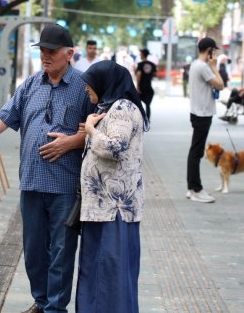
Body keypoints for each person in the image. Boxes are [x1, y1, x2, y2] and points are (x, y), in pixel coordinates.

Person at [0, 24, 94, 313]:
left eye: (51, 51)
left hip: (64, 187)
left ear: (69, 54)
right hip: (31, 183)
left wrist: (71, 142)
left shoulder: (84, 87)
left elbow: (98, 130)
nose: (45, 56)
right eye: (42, 50)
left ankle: (55, 308)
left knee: (61, 252)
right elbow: (3, 117)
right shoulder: (30, 85)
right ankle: (41, 302)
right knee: (33, 252)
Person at [76, 61, 149, 313]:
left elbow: (115, 147)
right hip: (105, 209)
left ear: (105, 82)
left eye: (90, 84)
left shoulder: (123, 108)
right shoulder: (113, 107)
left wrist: (89, 130)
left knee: (109, 274)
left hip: (112, 210)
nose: (86, 90)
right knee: (103, 272)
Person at [186, 37, 224, 203]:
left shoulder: (196, 65)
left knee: (195, 151)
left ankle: (191, 188)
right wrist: (215, 67)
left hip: (197, 112)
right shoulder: (204, 67)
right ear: (209, 50)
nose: (214, 54)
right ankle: (196, 189)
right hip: (202, 114)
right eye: (213, 51)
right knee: (196, 152)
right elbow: (220, 85)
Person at [135, 48, 156, 119]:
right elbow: (154, 73)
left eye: (140, 54)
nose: (140, 55)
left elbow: (138, 75)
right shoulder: (152, 64)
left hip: (141, 88)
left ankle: (139, 119)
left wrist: (137, 87)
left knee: (137, 105)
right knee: (148, 105)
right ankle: (147, 120)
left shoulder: (140, 64)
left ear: (143, 55)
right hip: (149, 87)